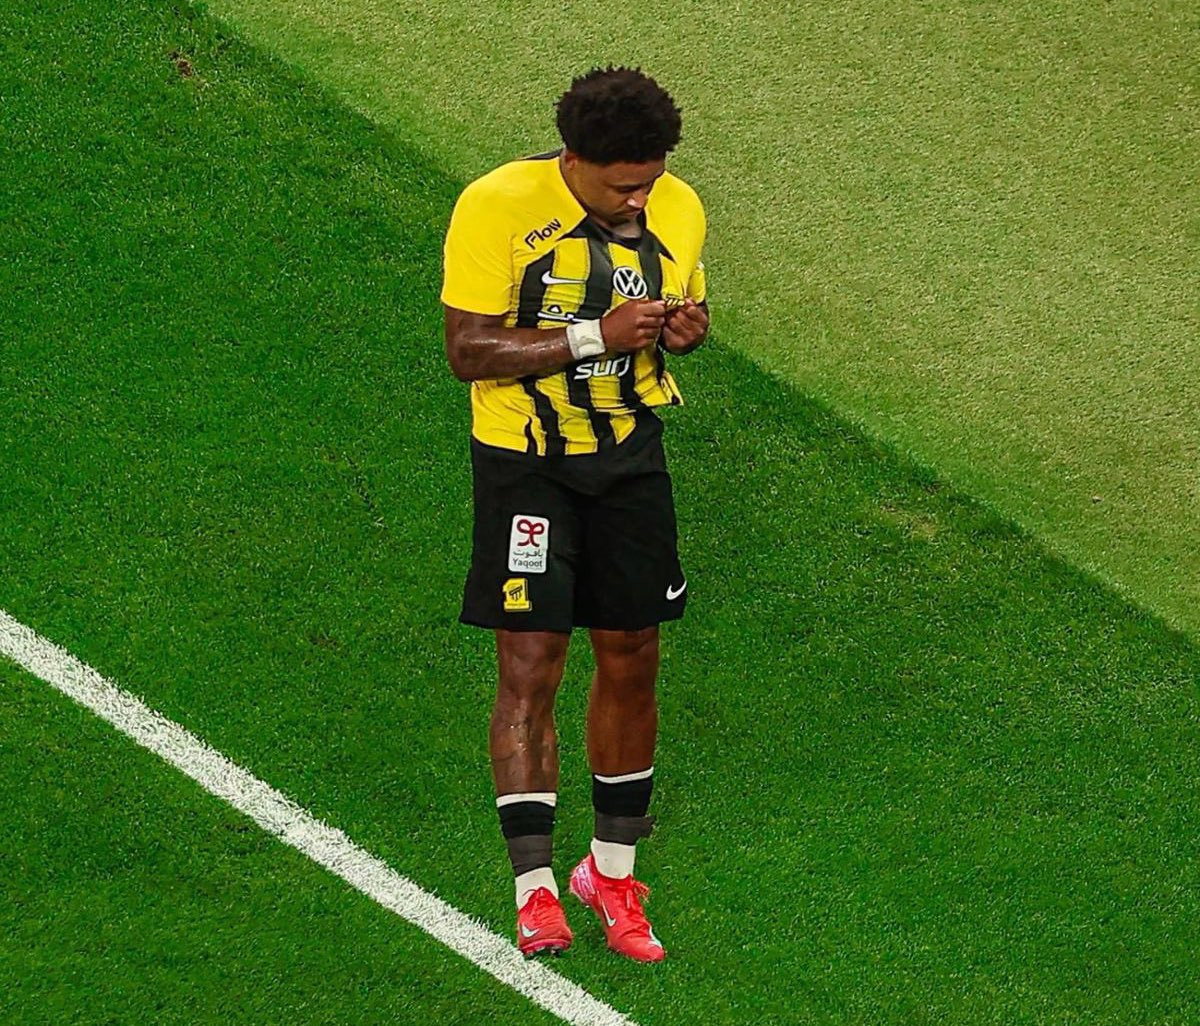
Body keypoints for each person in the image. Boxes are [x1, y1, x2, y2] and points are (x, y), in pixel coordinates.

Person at [441, 66, 708, 963]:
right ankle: (535, 891)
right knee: (532, 661)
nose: (641, 199)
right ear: (575, 161)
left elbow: (680, 304)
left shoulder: (679, 207)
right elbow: (468, 349)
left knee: (633, 652)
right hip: (527, 463)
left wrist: (686, 329)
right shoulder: (496, 205)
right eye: (624, 185)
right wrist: (596, 335)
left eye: (651, 180)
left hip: (630, 456)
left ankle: (611, 874)